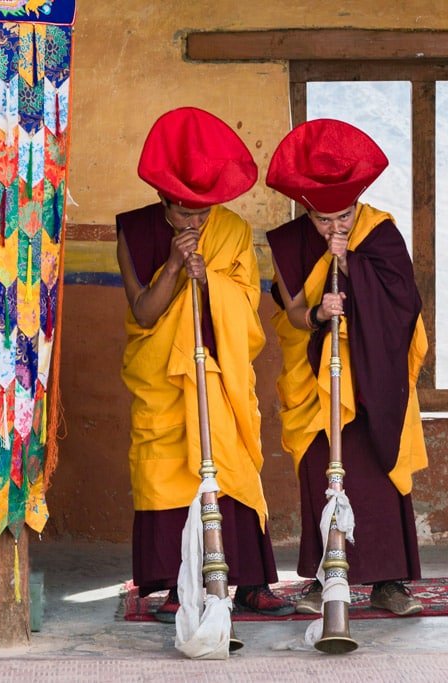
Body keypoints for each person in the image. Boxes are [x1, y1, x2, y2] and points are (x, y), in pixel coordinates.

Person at [116, 107, 294, 623]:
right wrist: (174, 265)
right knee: (168, 470)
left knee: (232, 465)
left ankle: (251, 583)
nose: (195, 222)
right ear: (162, 198)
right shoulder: (133, 230)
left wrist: (209, 281)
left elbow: (247, 305)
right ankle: (177, 585)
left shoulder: (232, 230)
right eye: (184, 212)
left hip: (218, 375)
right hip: (163, 380)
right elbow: (144, 312)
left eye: (203, 213)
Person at [265, 118, 428, 616]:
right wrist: (318, 313)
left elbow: (405, 303)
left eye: (345, 216)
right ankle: (320, 579)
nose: (336, 227)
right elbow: (291, 309)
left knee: (377, 474)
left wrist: (353, 266)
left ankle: (388, 583)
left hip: (374, 382)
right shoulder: (289, 242)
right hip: (318, 383)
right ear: (305, 210)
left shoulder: (379, 233)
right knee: (322, 472)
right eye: (324, 220)